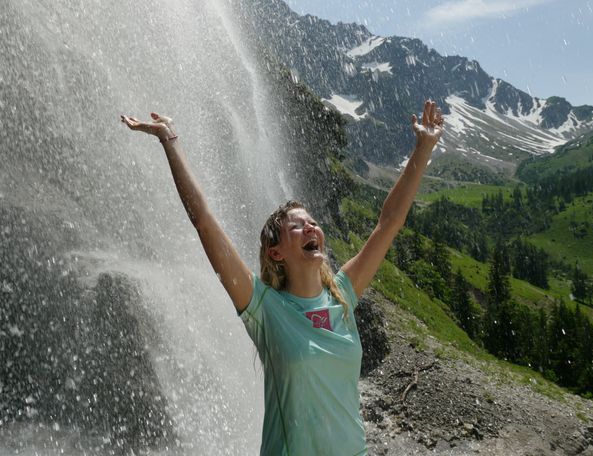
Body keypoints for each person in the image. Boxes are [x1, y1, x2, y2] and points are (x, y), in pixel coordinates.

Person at [121, 100, 444, 455]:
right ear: (276, 253)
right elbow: (203, 221)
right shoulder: (265, 309)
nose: (311, 227)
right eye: (297, 225)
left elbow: (389, 223)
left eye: (313, 223)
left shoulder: (342, 294)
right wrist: (170, 140)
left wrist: (423, 148)